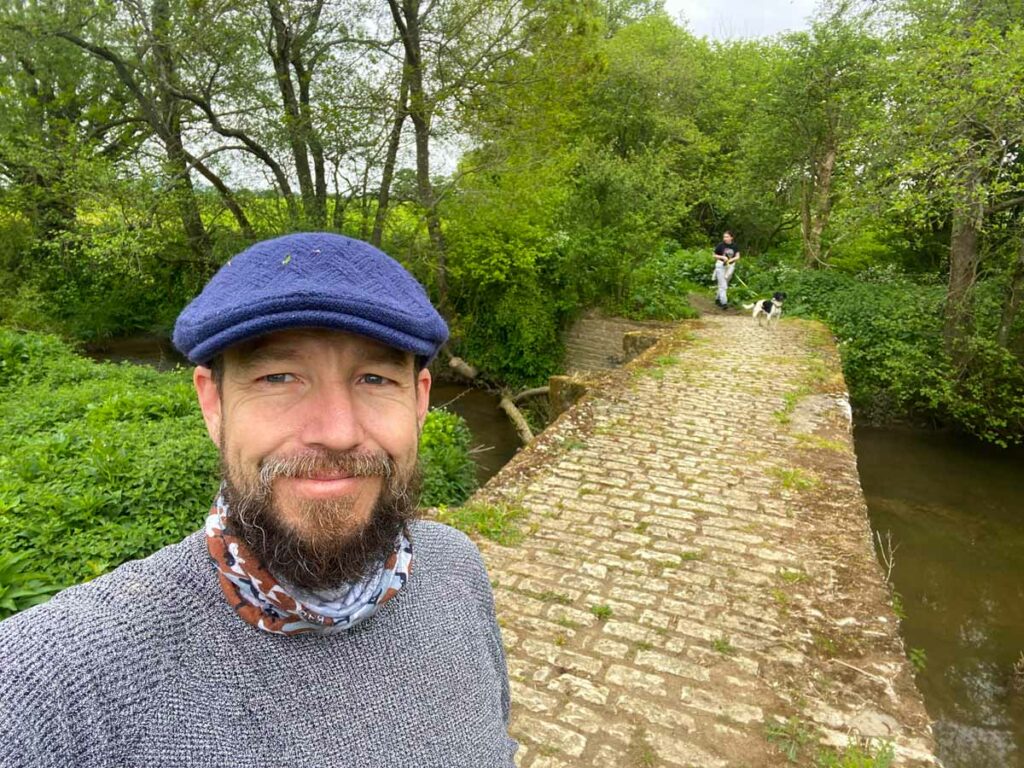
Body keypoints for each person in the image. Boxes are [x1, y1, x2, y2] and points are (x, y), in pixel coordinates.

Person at [0, 232, 517, 767]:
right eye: (278, 377)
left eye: (374, 378)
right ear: (213, 403)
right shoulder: (61, 679)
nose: (336, 432)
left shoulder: (458, 568)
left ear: (419, 400)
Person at [713, 230, 741, 308]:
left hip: (730, 267)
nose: (725, 238)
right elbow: (714, 255)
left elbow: (738, 256)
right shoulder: (720, 245)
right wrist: (722, 257)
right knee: (723, 285)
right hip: (720, 265)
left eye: (727, 237)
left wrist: (731, 260)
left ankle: (717, 299)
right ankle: (724, 303)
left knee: (724, 283)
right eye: (724, 237)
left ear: (731, 237)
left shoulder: (735, 246)